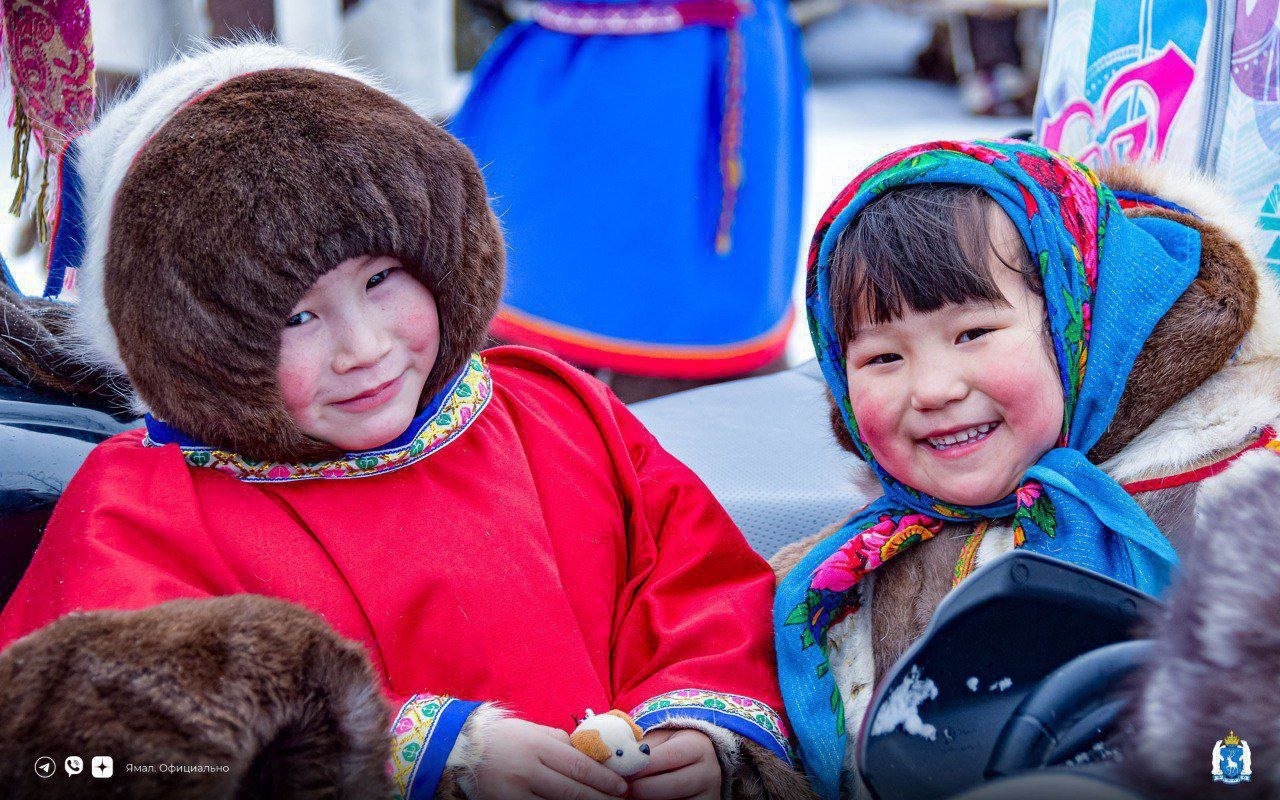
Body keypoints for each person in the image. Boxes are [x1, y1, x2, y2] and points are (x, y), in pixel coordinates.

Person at [0, 43, 809, 800]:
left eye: (382, 276)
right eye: (294, 318)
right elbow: (87, 742)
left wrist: (701, 725)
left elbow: (694, 581)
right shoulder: (141, 508)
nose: (366, 347)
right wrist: (422, 754)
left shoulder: (551, 411)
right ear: (189, 338)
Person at [768, 139, 1279, 798]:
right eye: (882, 359)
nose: (933, 389)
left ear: (1076, 320)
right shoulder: (835, 581)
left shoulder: (1233, 508)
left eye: (972, 334)